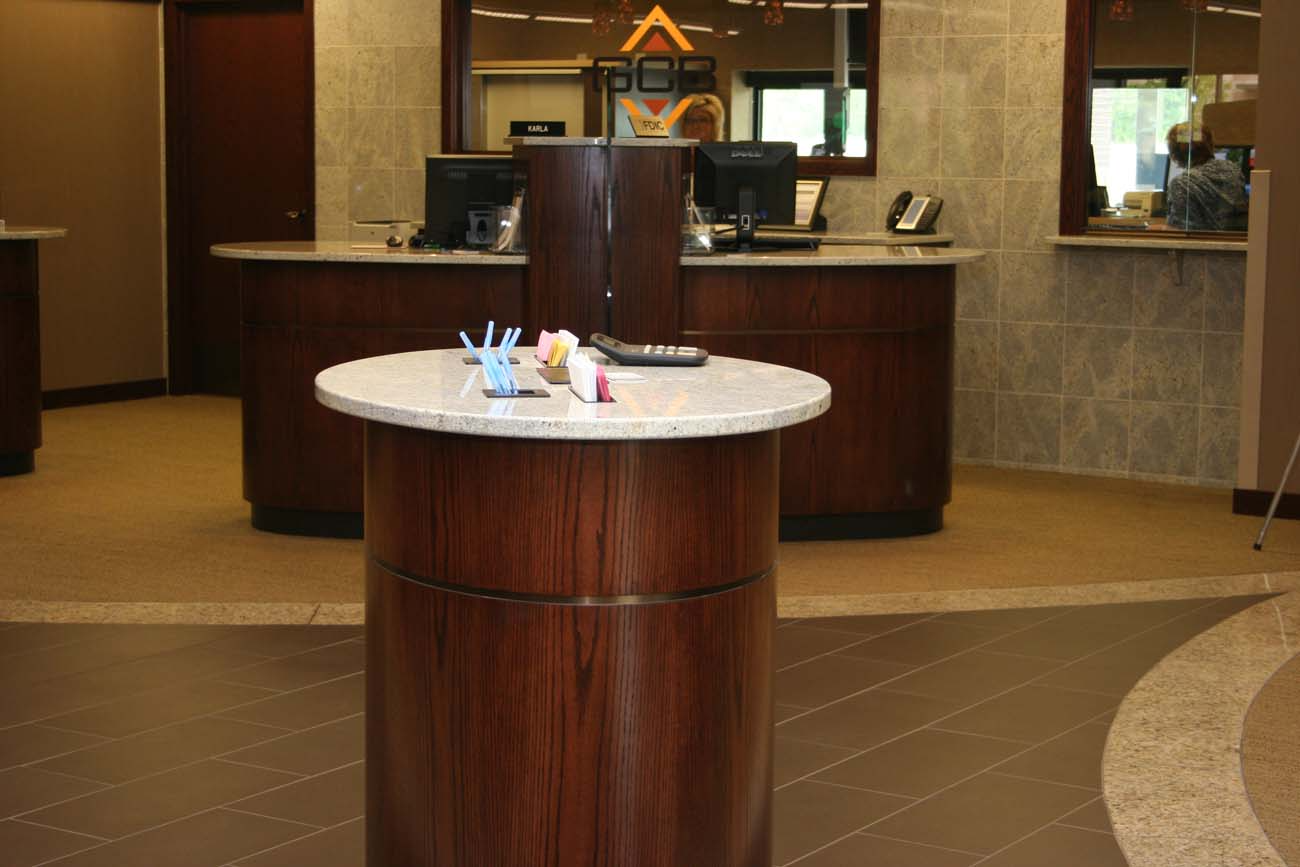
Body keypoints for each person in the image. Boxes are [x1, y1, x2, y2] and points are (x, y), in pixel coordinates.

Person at [1163, 122, 1248, 231]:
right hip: (1234, 243)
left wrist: (1157, 229)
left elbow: (1180, 232)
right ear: (1210, 145)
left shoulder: (1182, 183)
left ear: (1174, 154)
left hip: (1203, 244)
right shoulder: (1233, 170)